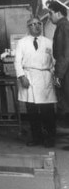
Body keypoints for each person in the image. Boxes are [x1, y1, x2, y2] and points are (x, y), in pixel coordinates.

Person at [15, 16, 56, 147]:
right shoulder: (22, 42)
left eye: (39, 23)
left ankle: (50, 138)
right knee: (32, 112)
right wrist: (22, 77)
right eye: (33, 24)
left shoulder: (49, 42)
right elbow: (17, 62)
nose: (37, 26)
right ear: (28, 27)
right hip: (29, 77)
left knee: (47, 112)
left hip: (45, 78)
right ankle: (36, 138)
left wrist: (55, 76)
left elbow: (54, 61)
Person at [47, 0, 69, 123]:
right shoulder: (62, 26)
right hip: (65, 71)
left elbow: (65, 54)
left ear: (59, 13)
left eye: (50, 13)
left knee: (66, 103)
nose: (49, 17)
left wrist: (58, 76)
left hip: (66, 72)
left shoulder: (64, 27)